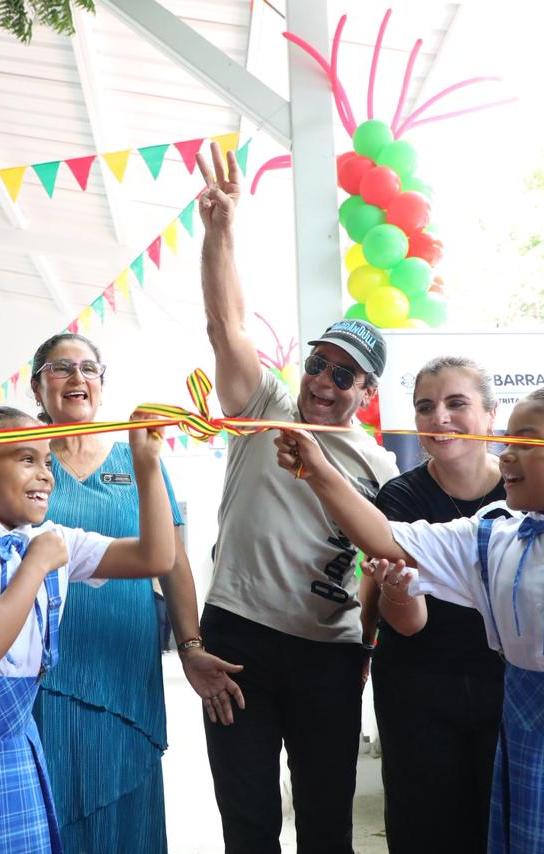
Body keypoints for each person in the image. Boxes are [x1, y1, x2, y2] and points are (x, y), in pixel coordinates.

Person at [195, 142, 399, 854]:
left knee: (325, 824)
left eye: (345, 376)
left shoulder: (380, 466)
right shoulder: (267, 405)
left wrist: (368, 640)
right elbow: (228, 324)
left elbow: (389, 560)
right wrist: (221, 230)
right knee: (247, 823)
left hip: (328, 654)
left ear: (367, 395)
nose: (324, 381)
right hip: (239, 640)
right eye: (319, 363)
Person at [276, 387, 544, 853]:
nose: (507, 457)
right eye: (509, 442)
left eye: (527, 444)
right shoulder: (496, 537)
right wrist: (318, 471)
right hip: (521, 726)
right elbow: (387, 539)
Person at [30, 333, 245, 853]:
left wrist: (191, 647)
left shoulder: (141, 457)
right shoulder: (22, 461)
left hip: (125, 658)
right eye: (61, 368)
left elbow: (171, 564)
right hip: (41, 668)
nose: (77, 379)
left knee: (126, 800)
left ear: (102, 384)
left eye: (89, 368)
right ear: (38, 388)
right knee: (48, 803)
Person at [0, 404, 175, 853]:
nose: (45, 475)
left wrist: (147, 466)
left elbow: (155, 557)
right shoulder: (42, 553)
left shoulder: (52, 539)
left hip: (16, 748)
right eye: (26, 459)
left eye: (45, 461)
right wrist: (34, 568)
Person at [359, 356, 506, 853]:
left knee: (498, 824)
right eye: (426, 407)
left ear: (490, 413)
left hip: (507, 691)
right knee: (424, 828)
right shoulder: (399, 496)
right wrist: (396, 592)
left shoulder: (524, 490)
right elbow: (407, 623)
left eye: (456, 403)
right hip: (418, 690)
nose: (439, 416)